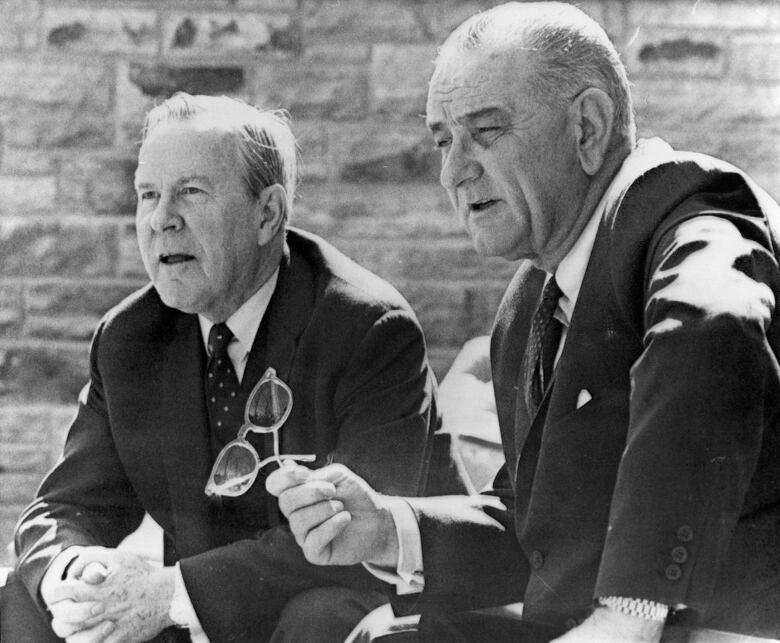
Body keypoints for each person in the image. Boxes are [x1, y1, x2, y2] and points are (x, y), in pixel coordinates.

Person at [266, 3, 780, 642]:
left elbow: (713, 329)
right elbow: (535, 533)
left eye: (486, 131)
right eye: (443, 141)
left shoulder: (693, 213)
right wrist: (389, 526)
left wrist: (632, 611)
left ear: (587, 128)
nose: (455, 172)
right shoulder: (531, 306)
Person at [2, 92, 464, 643]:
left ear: (266, 213)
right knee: (32, 604)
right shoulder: (129, 339)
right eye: (148, 194)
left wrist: (170, 594)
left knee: (319, 618)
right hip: (198, 616)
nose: (160, 220)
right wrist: (72, 575)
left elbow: (349, 542)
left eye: (190, 193)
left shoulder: (368, 329)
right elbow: (66, 505)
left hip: (354, 610)